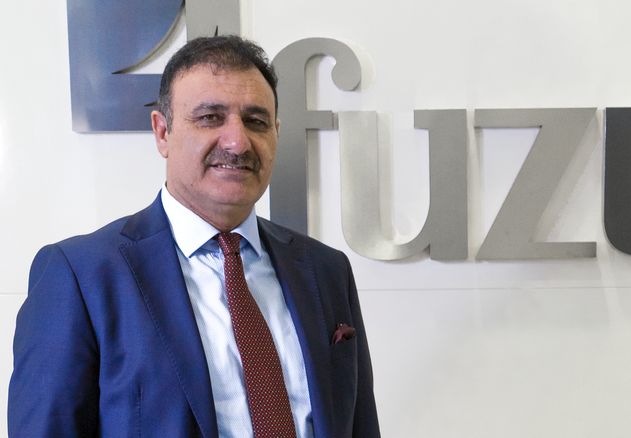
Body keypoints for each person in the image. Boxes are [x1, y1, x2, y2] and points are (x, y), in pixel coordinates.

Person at [8, 35, 380, 438]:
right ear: (162, 132)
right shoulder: (81, 276)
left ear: (275, 133)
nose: (237, 142)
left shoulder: (326, 270)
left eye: (255, 121)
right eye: (210, 118)